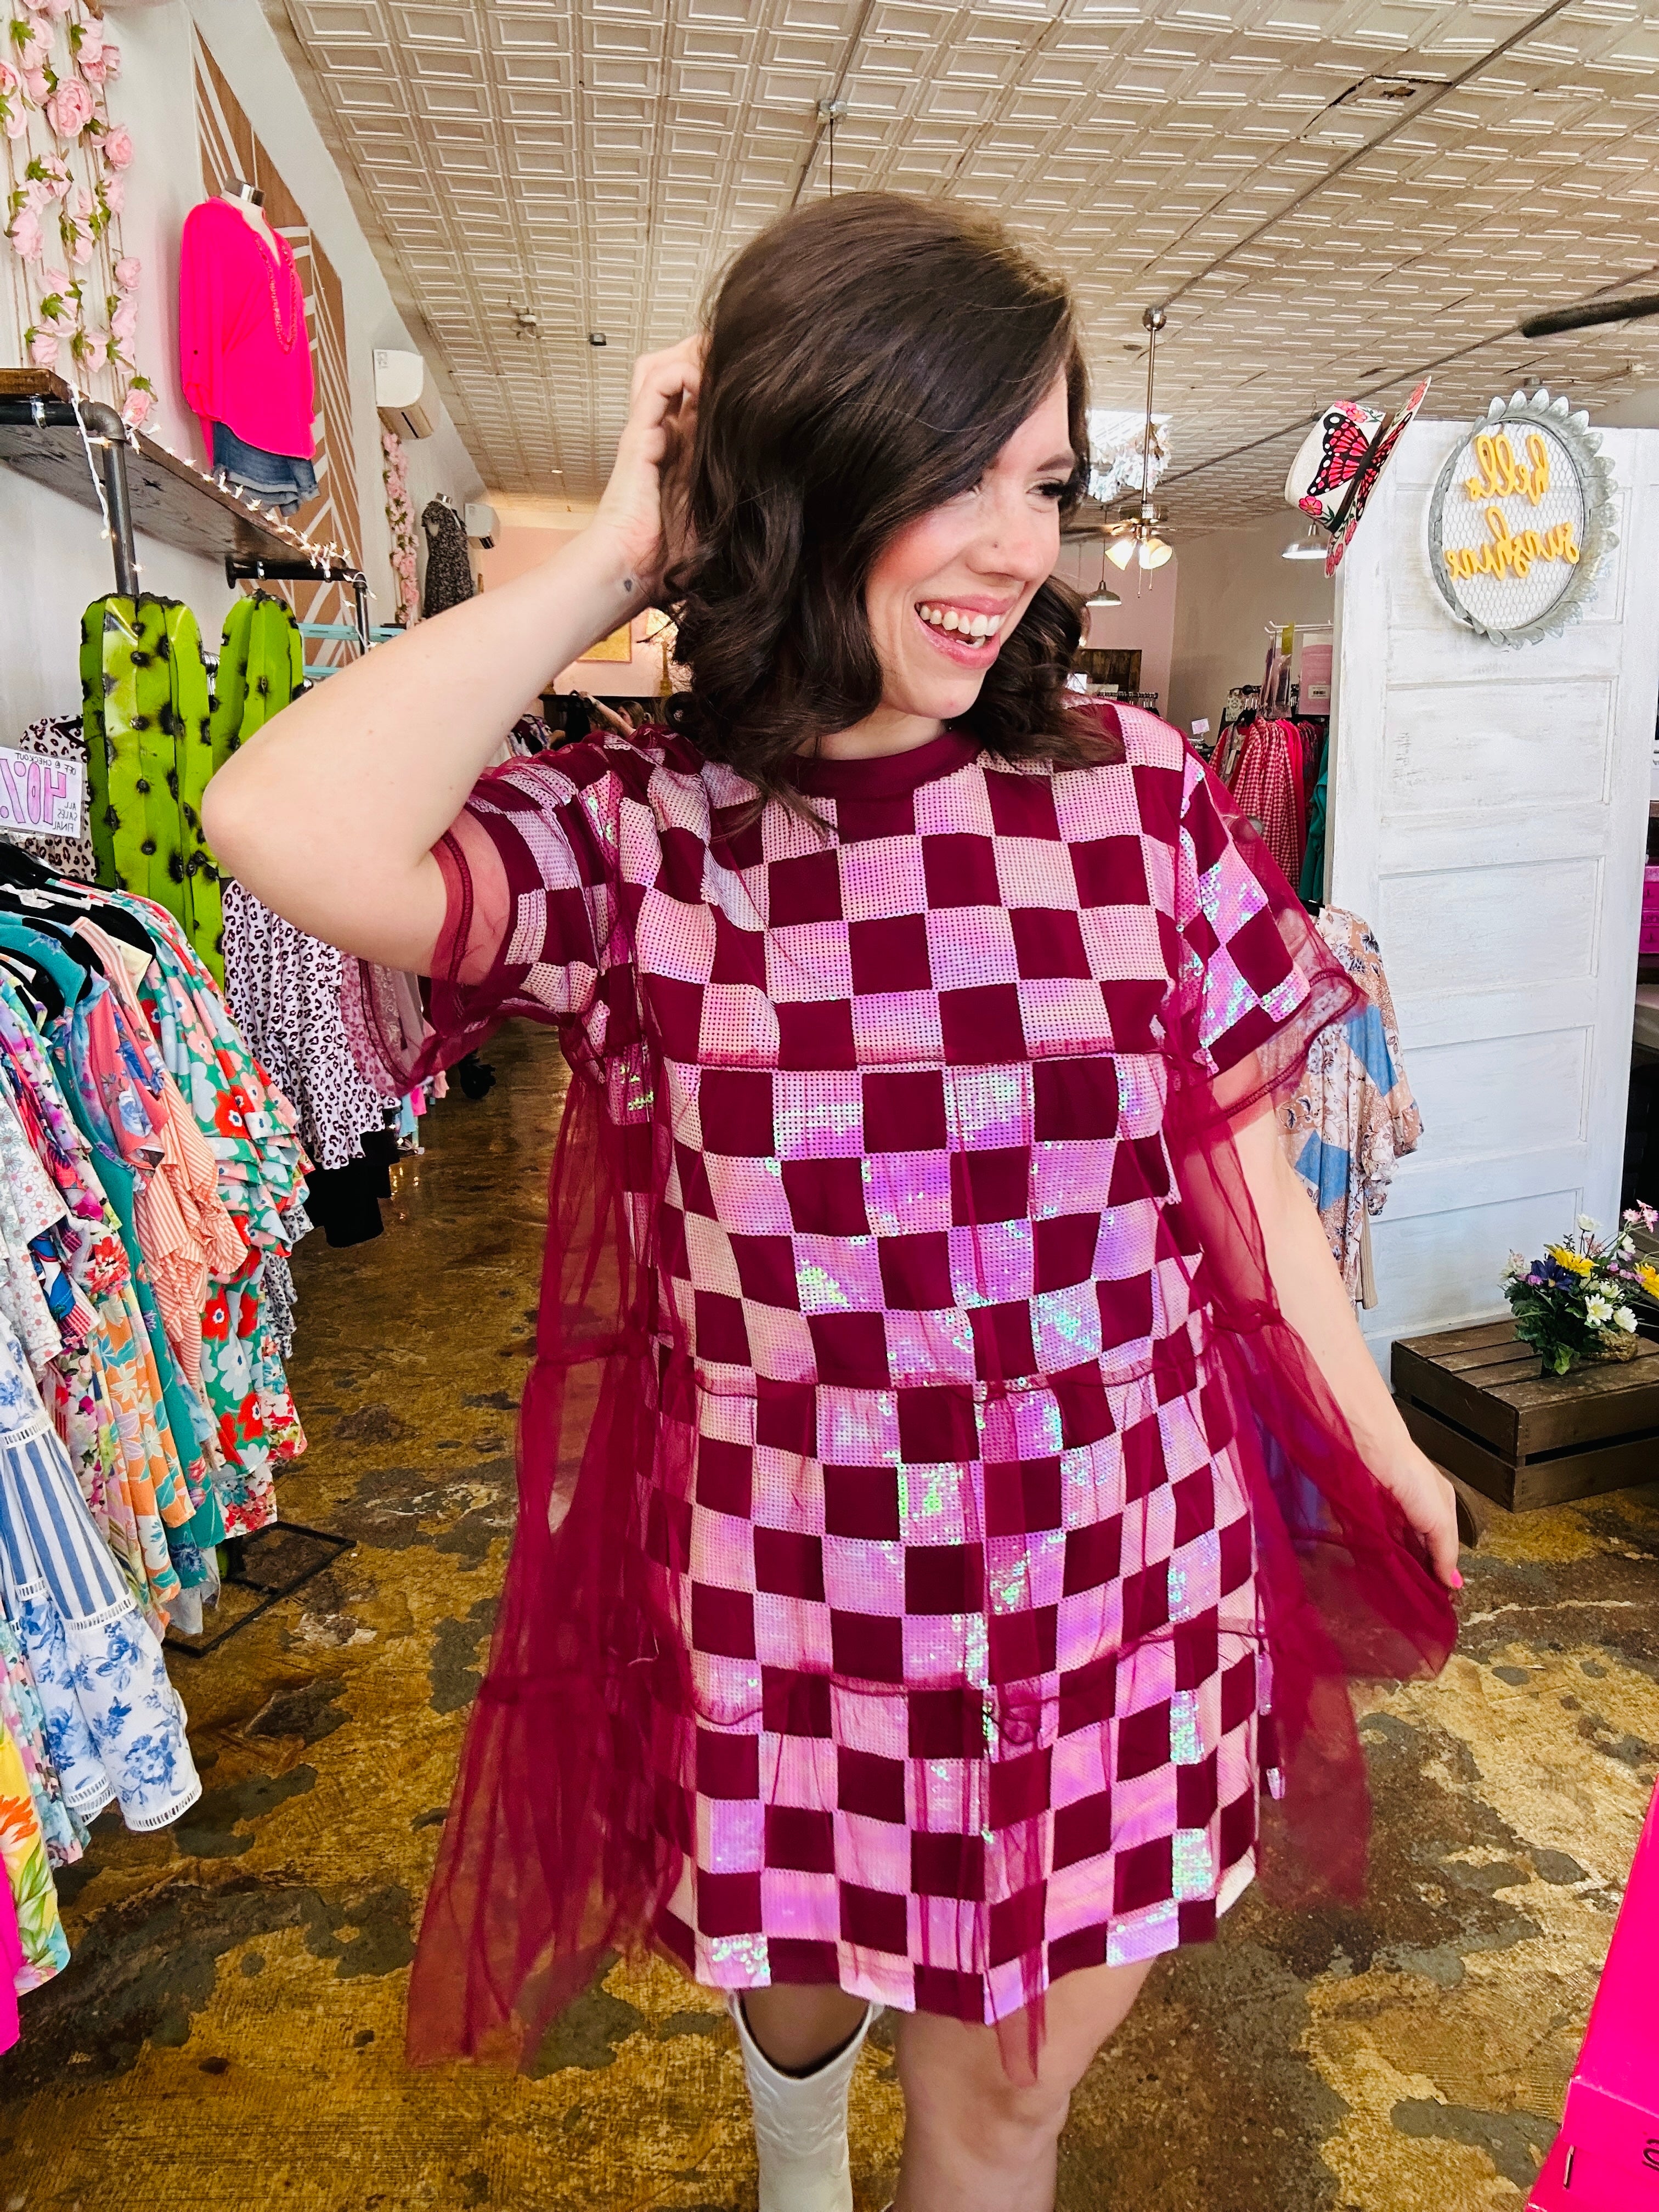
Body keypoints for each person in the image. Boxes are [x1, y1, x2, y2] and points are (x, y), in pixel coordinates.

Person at [205, 193, 1458, 2212]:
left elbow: (1237, 1165)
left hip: (1113, 1570)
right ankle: (797, 2137)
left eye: (1040, 483)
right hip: (797, 1584)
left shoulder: (1135, 797)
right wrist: (616, 541)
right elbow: (273, 820)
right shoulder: (641, 835)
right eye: (952, 476)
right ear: (810, 474)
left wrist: (1376, 1431)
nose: (1014, 549)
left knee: (1010, 2113)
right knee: (797, 1982)